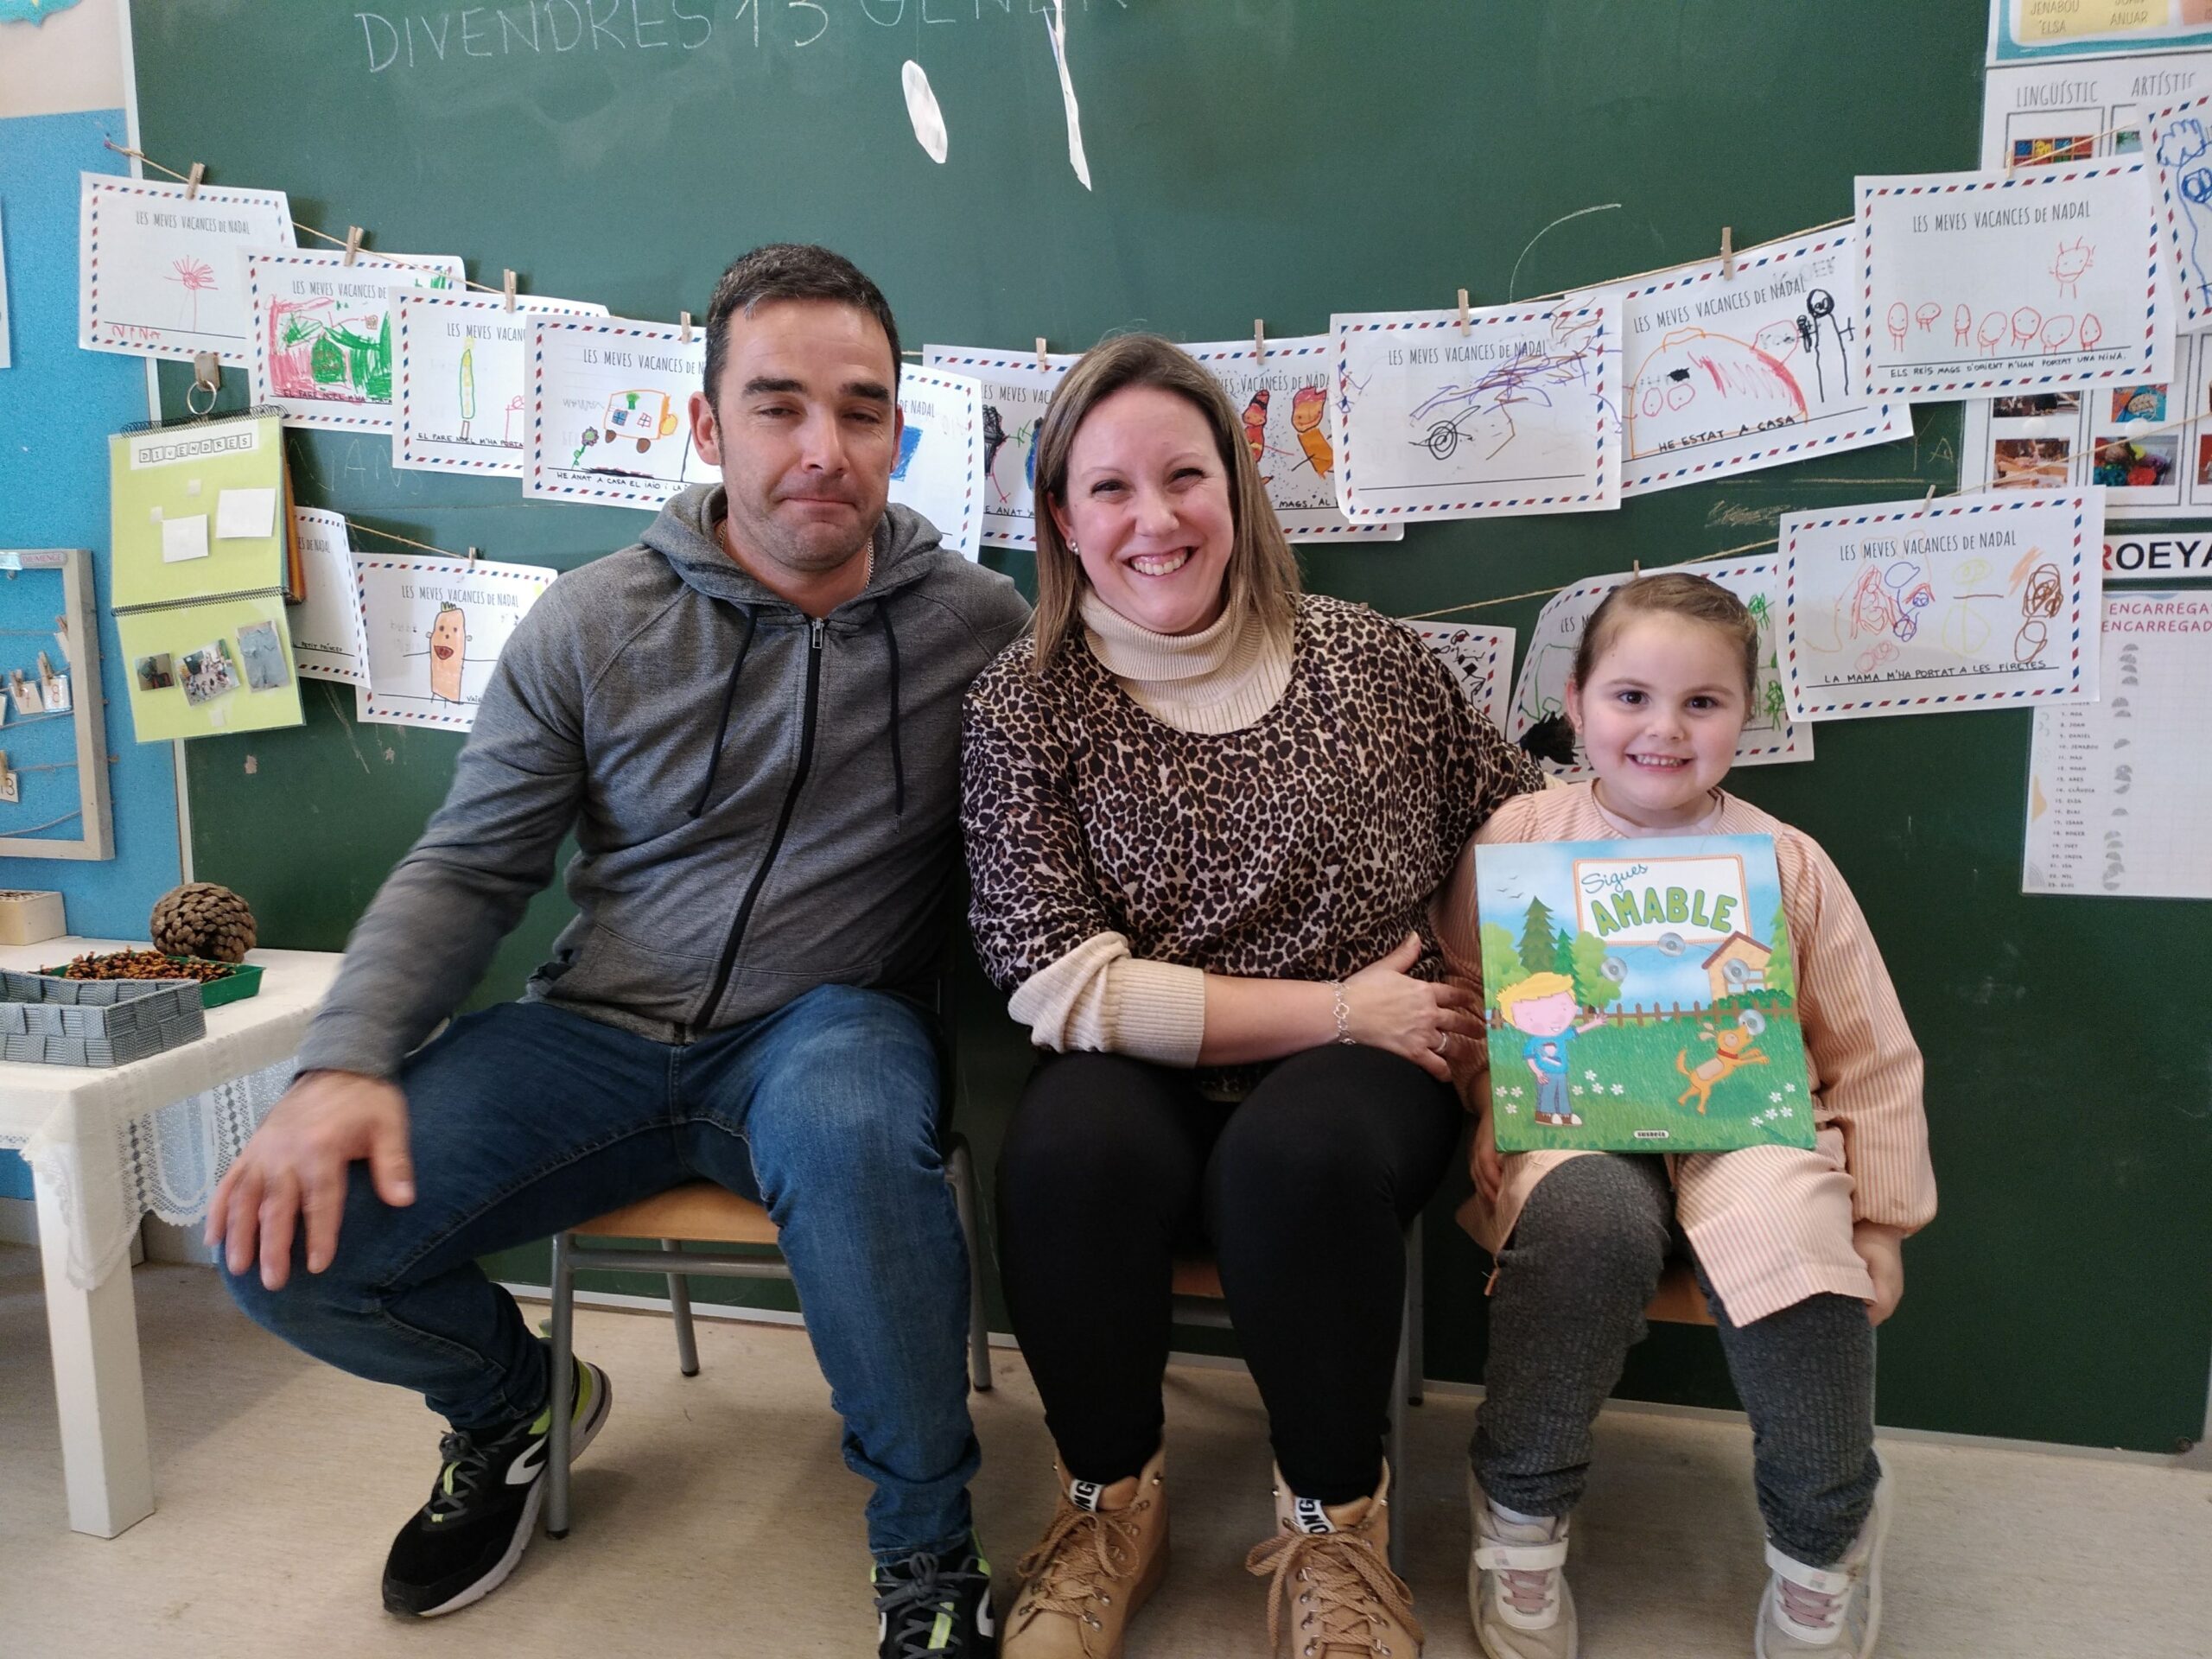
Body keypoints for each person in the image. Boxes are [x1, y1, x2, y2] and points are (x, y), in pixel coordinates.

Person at [206, 244, 1029, 1657]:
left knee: (851, 1131)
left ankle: (926, 1552)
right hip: (591, 1035)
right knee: (283, 1244)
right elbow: (471, 865)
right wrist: (345, 1061)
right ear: (706, 425)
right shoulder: (592, 623)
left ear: (899, 431)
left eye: (861, 410)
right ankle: (512, 1405)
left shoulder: (983, 629)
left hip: (825, 1028)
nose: (823, 448)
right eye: (777, 404)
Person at [960, 333, 1547, 1658]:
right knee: (1063, 1152)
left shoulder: (1371, 660)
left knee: (1297, 1159)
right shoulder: (1023, 702)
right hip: (1181, 1052)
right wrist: (1338, 1008)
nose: (1154, 519)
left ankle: (1337, 1526)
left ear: (1236, 484)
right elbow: (1058, 984)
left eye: (1185, 475)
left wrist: (1474, 975)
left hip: (1371, 1068)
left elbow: (1518, 821)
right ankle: (1109, 1505)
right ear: (1061, 518)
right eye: (1110, 488)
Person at [1438, 573, 1935, 1659]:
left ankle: (1824, 1537)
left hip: (1748, 1125)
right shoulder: (1517, 837)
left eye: (1701, 703)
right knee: (1585, 1224)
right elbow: (1468, 1001)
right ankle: (1519, 1508)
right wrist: (1487, 1099)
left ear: (1744, 716)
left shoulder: (1788, 862)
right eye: (1631, 696)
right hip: (1570, 1119)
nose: (1663, 729)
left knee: (1790, 1236)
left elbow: (1868, 1053)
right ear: (1575, 702)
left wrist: (1882, 1222)